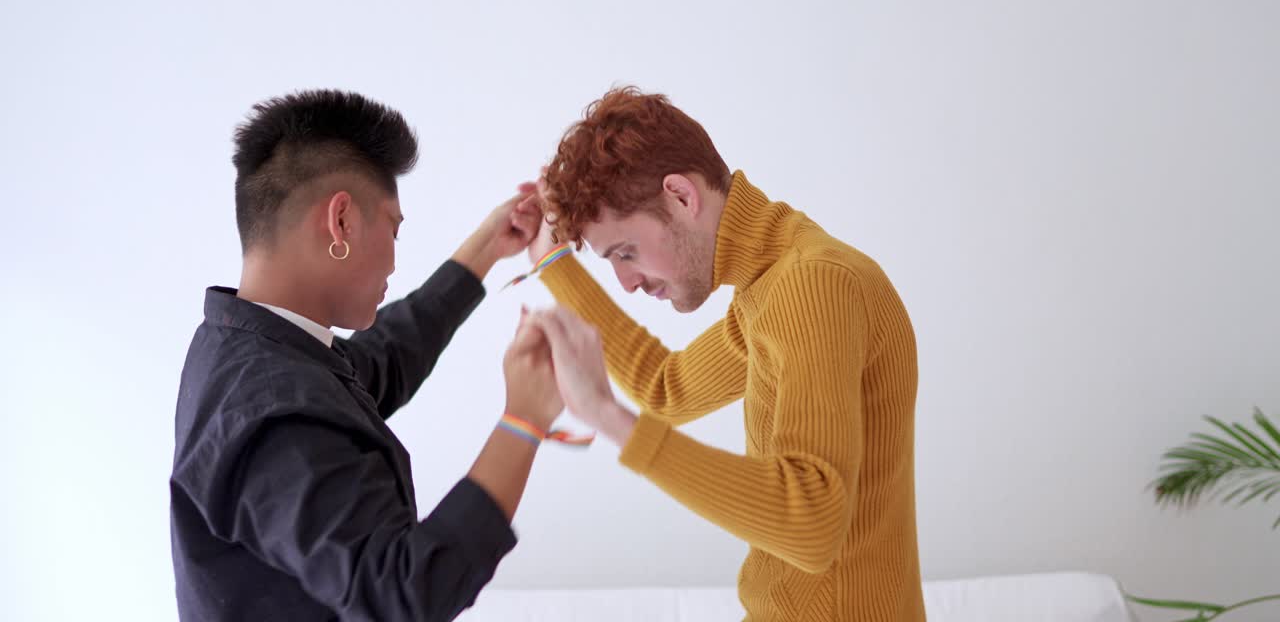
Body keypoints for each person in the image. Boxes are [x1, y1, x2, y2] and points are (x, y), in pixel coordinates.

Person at [517, 86, 926, 621]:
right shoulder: (772, 284)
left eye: (626, 252)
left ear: (681, 196)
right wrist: (552, 263)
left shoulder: (812, 284)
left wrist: (605, 415)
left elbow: (812, 524)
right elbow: (667, 388)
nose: (626, 283)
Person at [170, 89, 560, 621]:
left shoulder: (247, 343)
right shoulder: (274, 419)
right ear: (342, 222)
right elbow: (403, 595)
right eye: (394, 229)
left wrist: (488, 247)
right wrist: (524, 420)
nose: (394, 262)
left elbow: (384, 358)